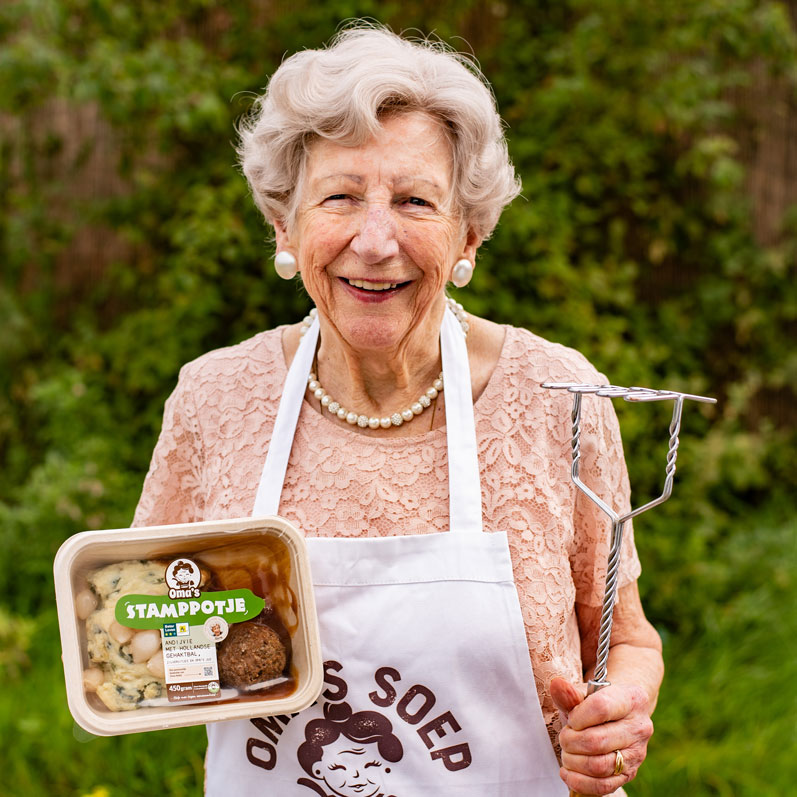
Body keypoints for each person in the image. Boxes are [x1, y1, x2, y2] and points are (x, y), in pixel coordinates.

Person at [133, 24, 663, 796]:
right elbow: (140, 634)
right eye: (339, 196)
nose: (374, 240)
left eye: (415, 201)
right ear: (284, 225)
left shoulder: (558, 397)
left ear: (468, 235)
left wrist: (620, 709)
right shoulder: (215, 398)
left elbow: (626, 637)